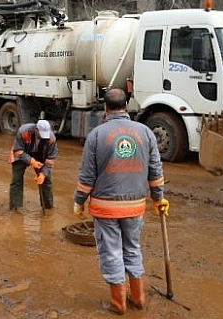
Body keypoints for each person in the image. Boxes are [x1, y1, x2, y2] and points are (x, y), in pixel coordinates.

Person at [74, 88, 169, 314]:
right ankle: (139, 298)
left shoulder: (96, 135)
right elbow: (155, 172)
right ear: (126, 105)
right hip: (135, 206)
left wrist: (78, 201)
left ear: (105, 108)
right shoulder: (146, 133)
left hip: (105, 209)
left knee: (112, 253)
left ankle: (118, 304)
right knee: (132, 249)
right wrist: (159, 199)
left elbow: (86, 177)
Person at [7, 119, 58, 211]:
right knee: (16, 179)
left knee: (46, 180)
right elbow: (18, 150)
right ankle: (15, 207)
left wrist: (43, 174)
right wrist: (31, 161)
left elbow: (50, 159)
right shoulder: (23, 131)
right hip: (22, 152)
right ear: (36, 129)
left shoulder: (51, 139)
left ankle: (48, 207)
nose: (43, 137)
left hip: (41, 155)